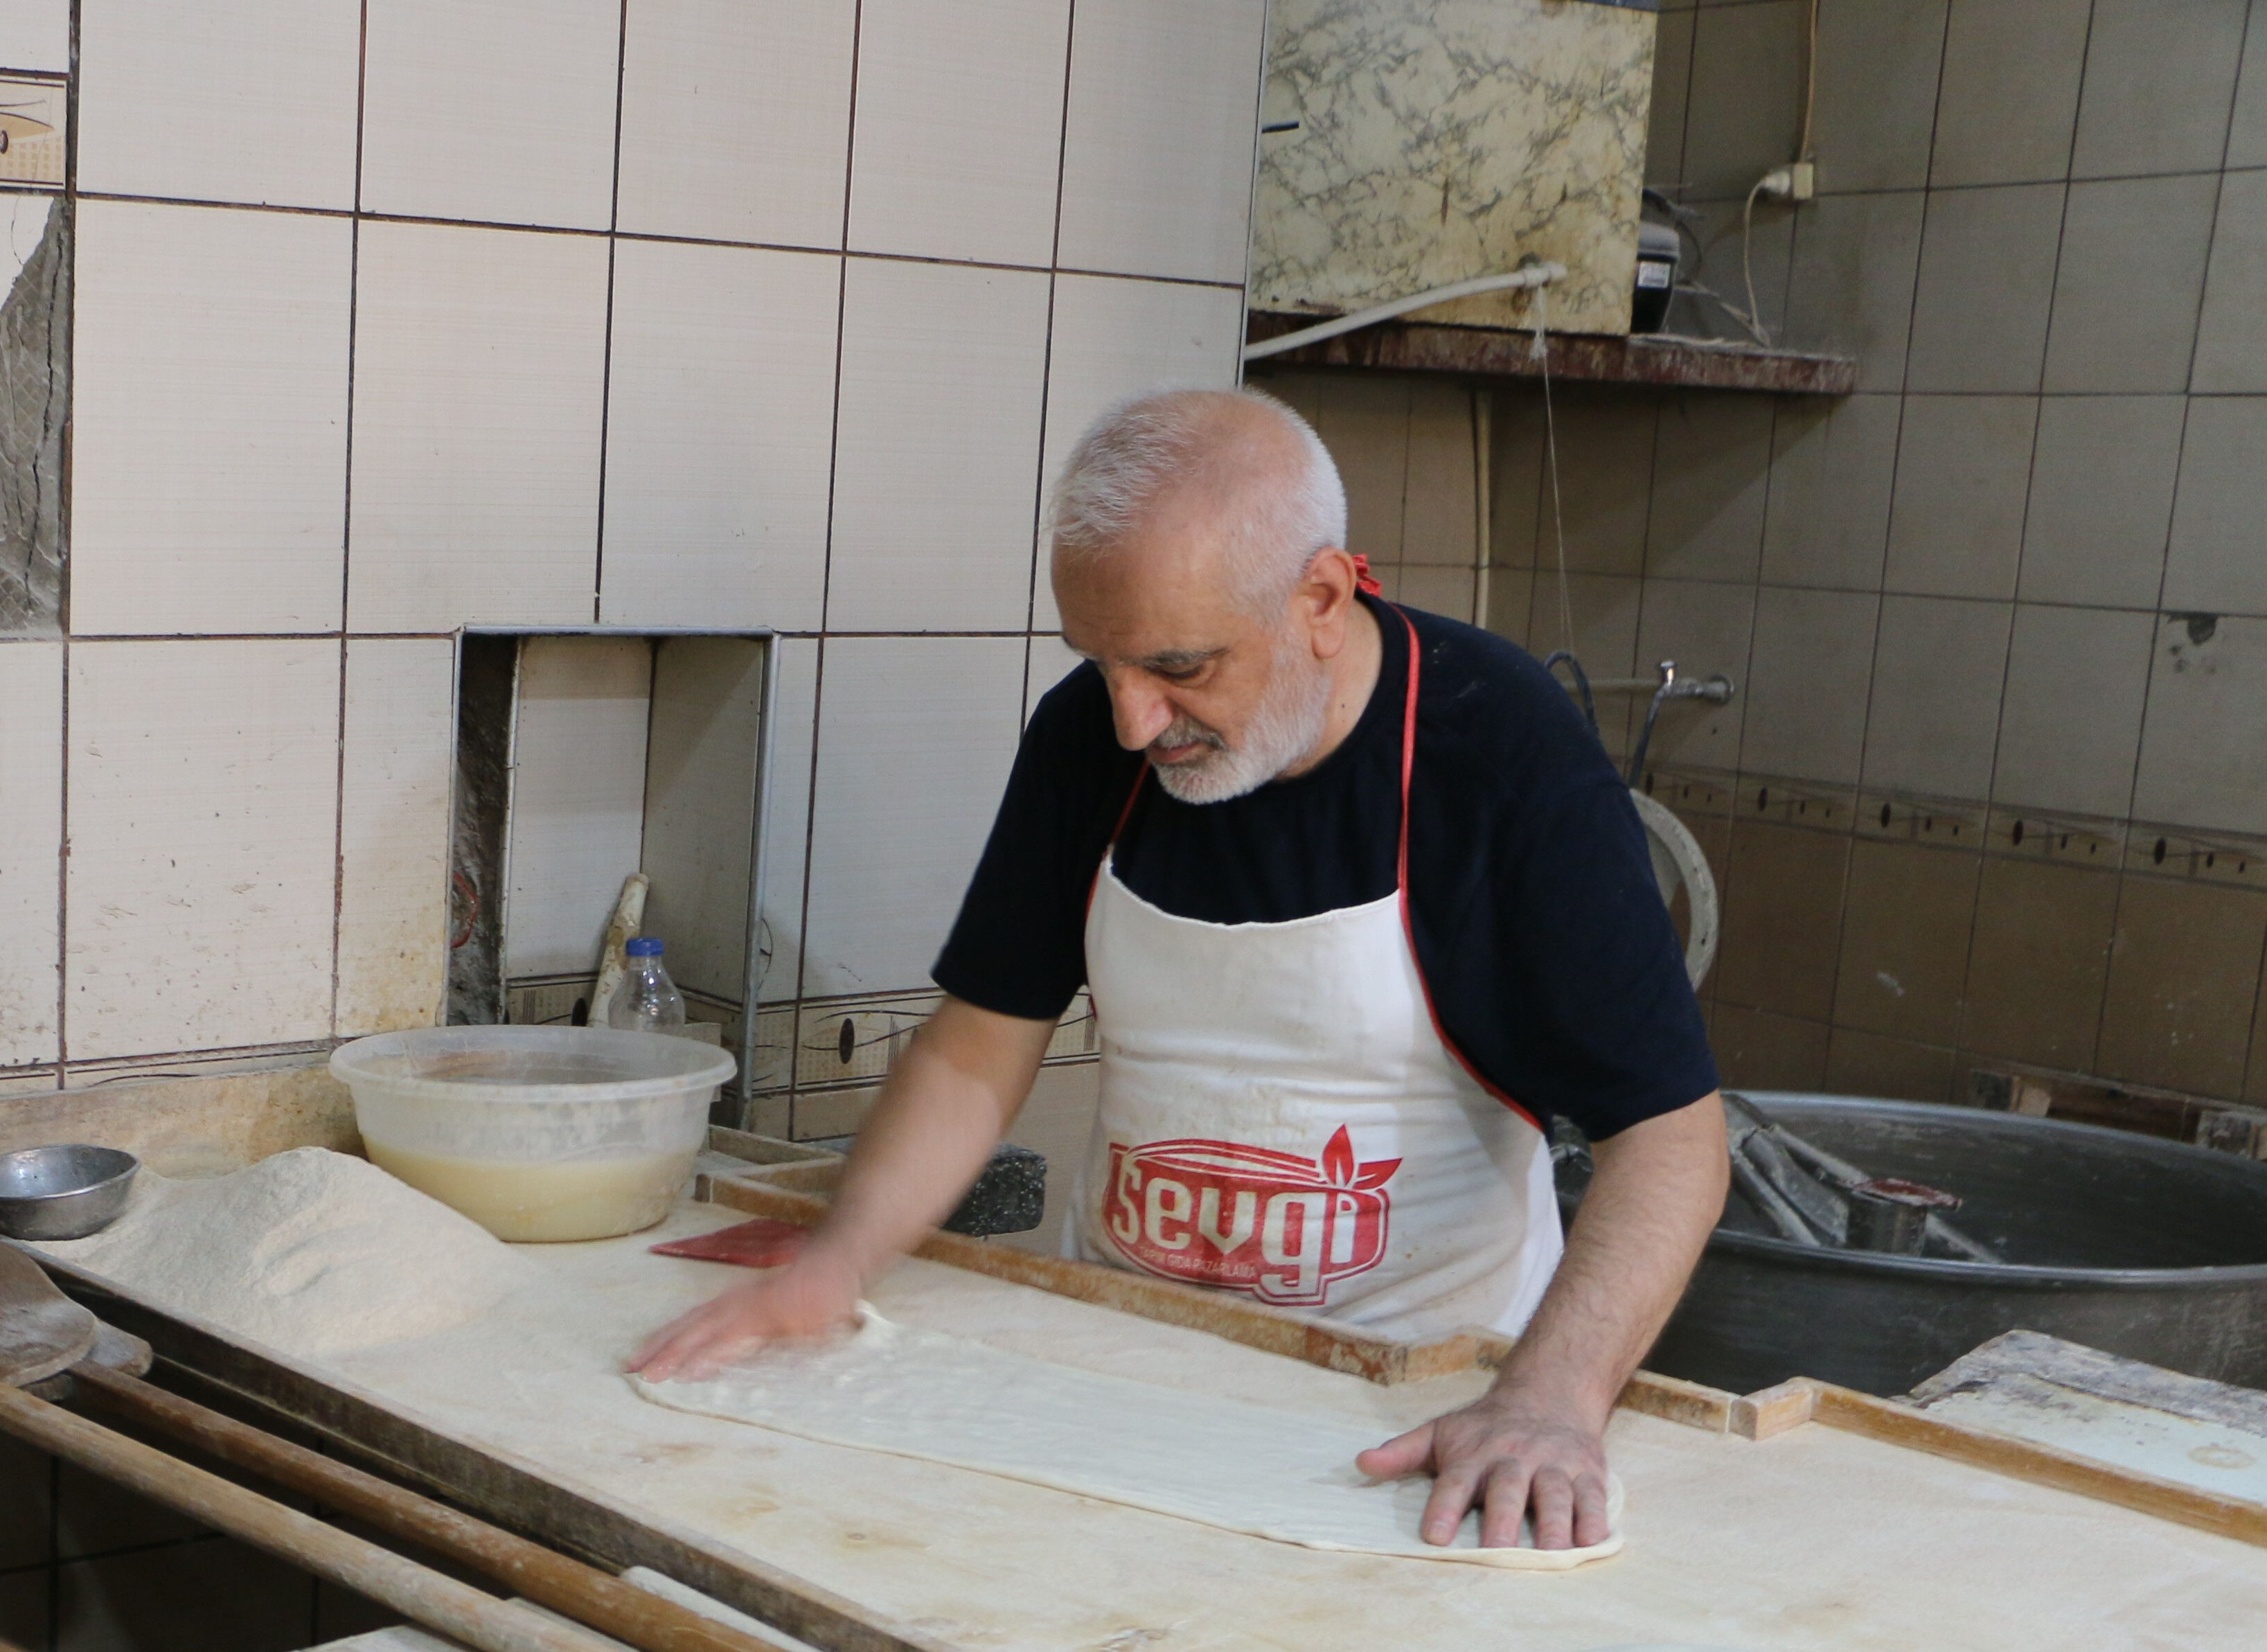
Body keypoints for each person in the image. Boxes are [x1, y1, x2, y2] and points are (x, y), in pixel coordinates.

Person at [637, 387, 1727, 1554]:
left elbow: (1668, 1137)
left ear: (1319, 598)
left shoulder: (1497, 751)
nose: (1130, 721)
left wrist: (1550, 1401)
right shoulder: (1088, 739)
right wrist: (838, 1261)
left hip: (1410, 1400)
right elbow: (978, 1042)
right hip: (1125, 1349)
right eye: (1101, 666)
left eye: (1178, 668)